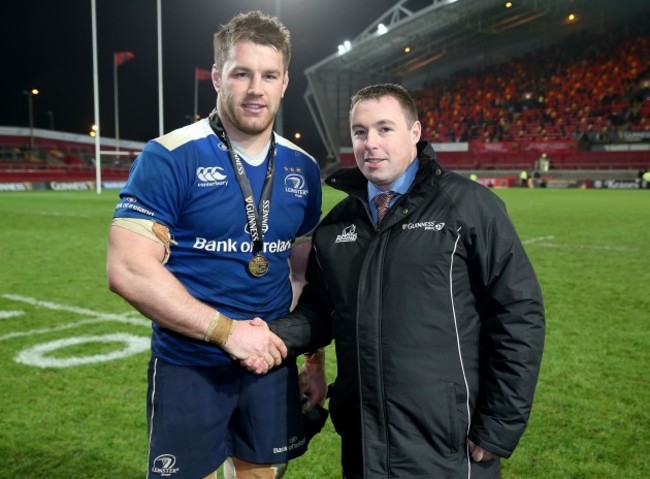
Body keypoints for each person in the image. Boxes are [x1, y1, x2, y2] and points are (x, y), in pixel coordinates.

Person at [259, 83, 545, 478]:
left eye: (384, 129)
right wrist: (268, 336)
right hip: (363, 441)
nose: (370, 143)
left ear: (415, 132)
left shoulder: (470, 207)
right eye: (360, 132)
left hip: (448, 443)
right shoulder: (338, 224)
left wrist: (499, 423)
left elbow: (519, 314)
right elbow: (321, 312)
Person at [106, 11, 325, 479]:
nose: (255, 88)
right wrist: (229, 333)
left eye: (269, 75)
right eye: (241, 73)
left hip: (270, 363)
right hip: (191, 367)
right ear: (217, 76)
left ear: (285, 82)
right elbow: (127, 269)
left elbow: (304, 273)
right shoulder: (168, 156)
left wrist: (313, 358)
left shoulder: (302, 168)